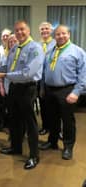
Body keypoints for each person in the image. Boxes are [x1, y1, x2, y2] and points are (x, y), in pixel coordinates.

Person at [0, 20, 44, 169]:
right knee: (14, 120)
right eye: (16, 30)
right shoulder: (14, 48)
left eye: (22, 29)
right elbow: (7, 66)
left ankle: (34, 156)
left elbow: (28, 73)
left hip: (27, 89)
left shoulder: (35, 48)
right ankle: (16, 147)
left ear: (28, 31)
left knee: (30, 124)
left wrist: (5, 74)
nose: (19, 33)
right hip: (14, 89)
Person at [39, 25, 86, 160]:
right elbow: (44, 71)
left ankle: (68, 146)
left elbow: (83, 74)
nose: (60, 36)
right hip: (49, 90)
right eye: (58, 34)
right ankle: (52, 141)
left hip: (67, 90)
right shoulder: (50, 51)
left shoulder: (78, 51)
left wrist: (76, 92)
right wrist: (42, 88)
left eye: (63, 34)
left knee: (67, 121)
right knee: (52, 118)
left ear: (69, 34)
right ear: (55, 37)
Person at [38, 22, 56, 135]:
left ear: (51, 31)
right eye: (42, 29)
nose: (44, 31)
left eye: (46, 29)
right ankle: (45, 127)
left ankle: (57, 130)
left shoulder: (56, 43)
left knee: (55, 108)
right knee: (43, 105)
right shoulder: (38, 45)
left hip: (52, 79)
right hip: (40, 80)